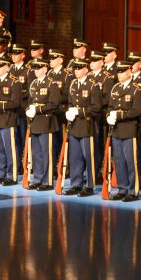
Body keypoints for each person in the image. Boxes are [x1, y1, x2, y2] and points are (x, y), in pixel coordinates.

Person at [63, 59, 103, 195]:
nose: (76, 70)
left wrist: (79, 112)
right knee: (75, 157)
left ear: (86, 69)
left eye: (79, 68)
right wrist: (69, 111)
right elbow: (70, 102)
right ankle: (76, 184)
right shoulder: (73, 84)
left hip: (87, 125)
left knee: (89, 157)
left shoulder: (93, 85)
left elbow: (96, 107)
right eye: (75, 68)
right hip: (74, 126)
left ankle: (90, 185)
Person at [106, 61, 141, 201]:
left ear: (129, 71)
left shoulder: (136, 89)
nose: (119, 74)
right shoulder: (115, 88)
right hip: (116, 130)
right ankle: (122, 189)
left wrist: (119, 115)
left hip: (129, 129)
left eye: (122, 71)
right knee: (119, 161)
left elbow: (137, 111)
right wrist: (109, 115)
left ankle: (132, 190)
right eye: (118, 71)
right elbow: (110, 107)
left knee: (131, 161)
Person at [24, 57, 62, 190]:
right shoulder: (34, 84)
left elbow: (54, 104)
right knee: (37, 153)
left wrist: (38, 109)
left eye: (38, 68)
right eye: (34, 68)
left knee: (47, 153)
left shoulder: (52, 83)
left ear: (45, 70)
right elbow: (30, 102)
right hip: (35, 123)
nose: (35, 70)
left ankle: (48, 181)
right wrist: (29, 109)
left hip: (47, 123)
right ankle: (38, 178)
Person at [0, 55, 22, 185]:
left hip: (8, 119)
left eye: (0, 66)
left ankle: (12, 175)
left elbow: (15, 103)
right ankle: (0, 174)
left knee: (10, 149)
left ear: (7, 67)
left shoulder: (14, 82)